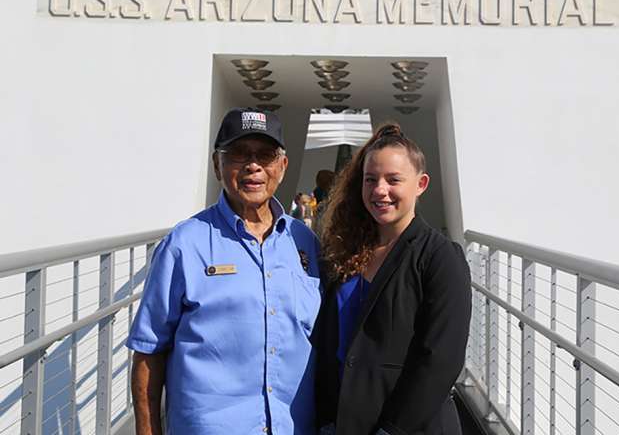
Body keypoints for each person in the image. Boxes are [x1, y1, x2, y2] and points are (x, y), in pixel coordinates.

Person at [127, 108, 322, 435]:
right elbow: (149, 352)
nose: (253, 165)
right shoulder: (183, 244)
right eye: (238, 154)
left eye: (265, 155)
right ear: (217, 165)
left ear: (283, 166)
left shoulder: (304, 243)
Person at [314, 123, 471, 435]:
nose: (379, 190)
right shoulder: (346, 253)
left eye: (393, 180)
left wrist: (392, 431)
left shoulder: (440, 258)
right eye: (370, 180)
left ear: (421, 184)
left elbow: (440, 360)